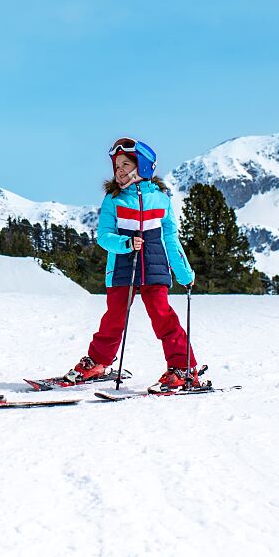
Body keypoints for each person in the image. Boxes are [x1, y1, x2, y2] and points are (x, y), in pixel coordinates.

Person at [62, 137, 203, 391]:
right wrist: (126, 243)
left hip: (155, 268)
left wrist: (184, 273)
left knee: (163, 317)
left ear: (143, 166)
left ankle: (183, 368)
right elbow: (103, 236)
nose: (119, 170)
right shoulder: (113, 200)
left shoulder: (161, 200)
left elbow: (171, 238)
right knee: (113, 319)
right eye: (117, 166)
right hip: (122, 268)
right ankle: (97, 363)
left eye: (125, 164)